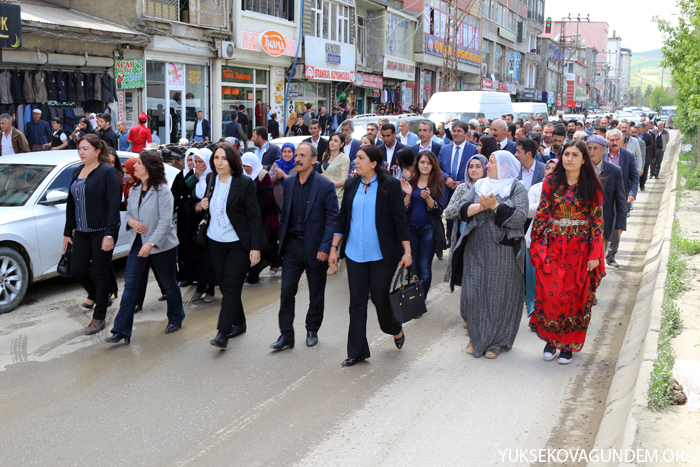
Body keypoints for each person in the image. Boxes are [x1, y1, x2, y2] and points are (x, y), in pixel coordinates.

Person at [328, 144, 411, 367]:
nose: (356, 161)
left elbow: (399, 221)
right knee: (357, 302)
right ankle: (357, 351)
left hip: (382, 255)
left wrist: (407, 251)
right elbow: (342, 219)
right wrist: (334, 249)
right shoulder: (352, 183)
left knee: (380, 299)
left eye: (361, 158)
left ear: (373, 163)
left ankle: (394, 328)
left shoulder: (390, 185)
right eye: (356, 157)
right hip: (355, 253)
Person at [529, 141, 605, 364]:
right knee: (550, 292)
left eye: (575, 155)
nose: (569, 158)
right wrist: (536, 245)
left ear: (584, 159)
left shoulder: (592, 185)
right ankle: (552, 341)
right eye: (566, 154)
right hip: (553, 246)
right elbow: (542, 216)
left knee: (573, 296)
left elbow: (597, 223)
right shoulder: (552, 182)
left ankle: (568, 345)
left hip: (580, 249)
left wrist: (594, 255)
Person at [449, 151, 527, 359]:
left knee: (499, 295)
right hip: (476, 246)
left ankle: (497, 342)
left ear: (503, 167)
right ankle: (477, 337)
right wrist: (480, 206)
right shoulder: (479, 185)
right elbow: (460, 208)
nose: (488, 165)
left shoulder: (516, 187)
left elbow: (519, 217)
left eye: (492, 162)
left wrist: (495, 207)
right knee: (474, 293)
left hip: (504, 251)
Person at [105, 152, 185, 344]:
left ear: (149, 167)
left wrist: (151, 243)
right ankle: (121, 330)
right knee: (130, 287)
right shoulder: (134, 189)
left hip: (161, 246)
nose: (135, 167)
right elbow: (129, 215)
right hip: (137, 244)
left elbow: (166, 222)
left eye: (139, 163)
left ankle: (176, 317)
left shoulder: (163, 191)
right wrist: (131, 222)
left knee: (169, 284)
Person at [269, 142, 339, 350]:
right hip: (292, 246)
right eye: (296, 154)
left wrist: (326, 247)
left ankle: (312, 329)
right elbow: (285, 217)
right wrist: (281, 246)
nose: (297, 158)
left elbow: (332, 219)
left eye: (302, 155)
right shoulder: (289, 183)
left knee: (316, 292)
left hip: (316, 247)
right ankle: (286, 335)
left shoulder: (324, 186)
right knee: (286, 290)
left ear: (314, 160)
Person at [201, 144, 263, 349]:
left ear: (232, 161)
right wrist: (202, 204)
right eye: (216, 158)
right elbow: (208, 206)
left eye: (223, 159)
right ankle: (241, 322)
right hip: (215, 242)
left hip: (238, 243)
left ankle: (223, 332)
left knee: (231, 287)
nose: (219, 162)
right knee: (227, 286)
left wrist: (255, 247)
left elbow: (255, 217)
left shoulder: (243, 182)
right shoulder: (211, 179)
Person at [62, 134, 121, 335]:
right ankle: (99, 295)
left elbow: (114, 204)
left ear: (97, 152)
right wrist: (67, 232)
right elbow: (71, 203)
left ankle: (99, 317)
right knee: (76, 269)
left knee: (100, 272)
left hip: (102, 231)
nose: (81, 152)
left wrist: (110, 234)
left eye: (85, 148)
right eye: (79, 148)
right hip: (81, 232)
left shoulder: (107, 172)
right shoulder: (77, 171)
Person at [400, 150, 445, 297]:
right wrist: (407, 194)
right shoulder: (411, 181)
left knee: (424, 266)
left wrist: (428, 198)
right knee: (413, 267)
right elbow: (403, 208)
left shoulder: (438, 182)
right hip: (411, 229)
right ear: (417, 164)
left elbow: (439, 210)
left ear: (433, 166)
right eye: (422, 162)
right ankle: (414, 297)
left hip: (429, 230)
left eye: (428, 163)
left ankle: (421, 299)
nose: (425, 166)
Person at [181, 148, 218, 301]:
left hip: (209, 221)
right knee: (195, 255)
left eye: (201, 162)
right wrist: (195, 175)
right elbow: (182, 190)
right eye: (195, 162)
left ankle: (210, 288)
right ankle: (200, 285)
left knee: (208, 256)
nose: (198, 165)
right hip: (194, 222)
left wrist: (204, 204)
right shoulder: (194, 176)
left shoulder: (214, 177)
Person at [523, 158, 558, 316]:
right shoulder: (536, 188)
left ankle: (547, 311)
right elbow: (529, 212)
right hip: (534, 238)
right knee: (532, 277)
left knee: (550, 279)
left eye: (553, 169)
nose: (549, 171)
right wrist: (545, 203)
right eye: (547, 168)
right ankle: (533, 309)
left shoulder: (566, 190)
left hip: (555, 240)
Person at [587, 135, 627, 268]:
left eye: (595, 148)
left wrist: (620, 225)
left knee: (597, 260)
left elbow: (620, 200)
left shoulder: (614, 171)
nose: (591, 151)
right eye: (589, 148)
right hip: (582, 222)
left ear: (603, 150)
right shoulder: (581, 169)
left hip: (603, 224)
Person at [241, 153, 280, 283]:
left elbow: (269, 198)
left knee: (265, 243)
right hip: (246, 218)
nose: (246, 168)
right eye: (244, 165)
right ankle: (252, 275)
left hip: (264, 217)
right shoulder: (240, 177)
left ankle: (278, 261)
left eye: (248, 166)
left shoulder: (263, 175)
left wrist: (255, 209)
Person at [605, 129, 638, 267]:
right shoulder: (601, 155)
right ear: (607, 141)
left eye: (617, 140)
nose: (614, 143)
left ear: (621, 141)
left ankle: (611, 256)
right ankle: (600, 256)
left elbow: (634, 177)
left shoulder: (628, 156)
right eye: (611, 140)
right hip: (604, 197)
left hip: (621, 196)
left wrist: (632, 193)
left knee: (618, 227)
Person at [320, 132, 351, 207]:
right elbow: (326, 174)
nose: (332, 143)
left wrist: (326, 184)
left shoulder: (344, 158)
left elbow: (343, 182)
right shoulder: (325, 155)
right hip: (323, 194)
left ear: (341, 144)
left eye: (336, 141)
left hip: (336, 195)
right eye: (331, 140)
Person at [270, 142, 297, 212]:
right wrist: (276, 177)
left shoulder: (297, 165)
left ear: (294, 153)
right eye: (284, 152)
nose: (287, 154)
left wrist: (284, 175)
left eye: (289, 152)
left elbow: (298, 181)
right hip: (278, 201)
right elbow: (268, 180)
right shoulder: (276, 164)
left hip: (293, 201)